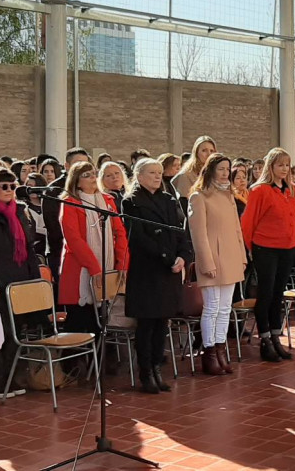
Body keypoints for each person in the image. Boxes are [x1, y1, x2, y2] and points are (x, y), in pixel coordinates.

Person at [123, 158, 193, 389]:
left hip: (170, 271)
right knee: (147, 324)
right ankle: (145, 372)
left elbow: (181, 231)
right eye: (152, 172)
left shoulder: (168, 199)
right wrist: (167, 257)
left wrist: (184, 256)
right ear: (139, 176)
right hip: (148, 271)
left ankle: (156, 369)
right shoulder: (132, 202)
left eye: (159, 172)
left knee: (162, 323)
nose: (156, 176)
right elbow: (139, 238)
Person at [0, 167, 42, 398]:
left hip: (20, 280)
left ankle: (11, 378)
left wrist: (35, 280)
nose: (9, 190)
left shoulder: (21, 212)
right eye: (3, 186)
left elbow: (29, 250)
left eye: (13, 186)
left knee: (17, 331)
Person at [187, 154, 245, 375]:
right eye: (220, 168)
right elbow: (198, 234)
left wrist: (241, 255)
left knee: (224, 308)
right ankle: (209, 352)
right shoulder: (199, 197)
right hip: (212, 257)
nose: (224, 173)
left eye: (227, 169)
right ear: (210, 170)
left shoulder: (229, 195)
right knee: (211, 308)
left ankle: (221, 349)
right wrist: (206, 262)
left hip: (230, 256)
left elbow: (237, 229)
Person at [57, 160, 130, 334]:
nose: (92, 177)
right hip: (80, 270)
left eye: (94, 174)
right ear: (76, 181)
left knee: (101, 322)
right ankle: (74, 360)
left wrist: (122, 264)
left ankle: (99, 360)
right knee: (79, 322)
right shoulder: (70, 203)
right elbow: (74, 240)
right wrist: (94, 268)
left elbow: (120, 233)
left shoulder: (107, 201)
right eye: (86, 175)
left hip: (108, 268)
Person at [241, 148, 295, 362]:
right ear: (271, 166)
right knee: (265, 293)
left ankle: (276, 337)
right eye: (279, 165)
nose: (283, 169)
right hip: (265, 248)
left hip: (287, 247)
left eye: (286, 165)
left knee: (278, 293)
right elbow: (248, 223)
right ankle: (265, 339)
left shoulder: (292, 190)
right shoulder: (260, 190)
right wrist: (249, 250)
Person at [42, 147, 91, 283]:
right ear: (67, 166)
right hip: (62, 251)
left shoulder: (89, 188)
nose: (82, 168)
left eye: (85, 165)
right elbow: (53, 226)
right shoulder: (54, 190)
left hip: (89, 251)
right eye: (77, 164)